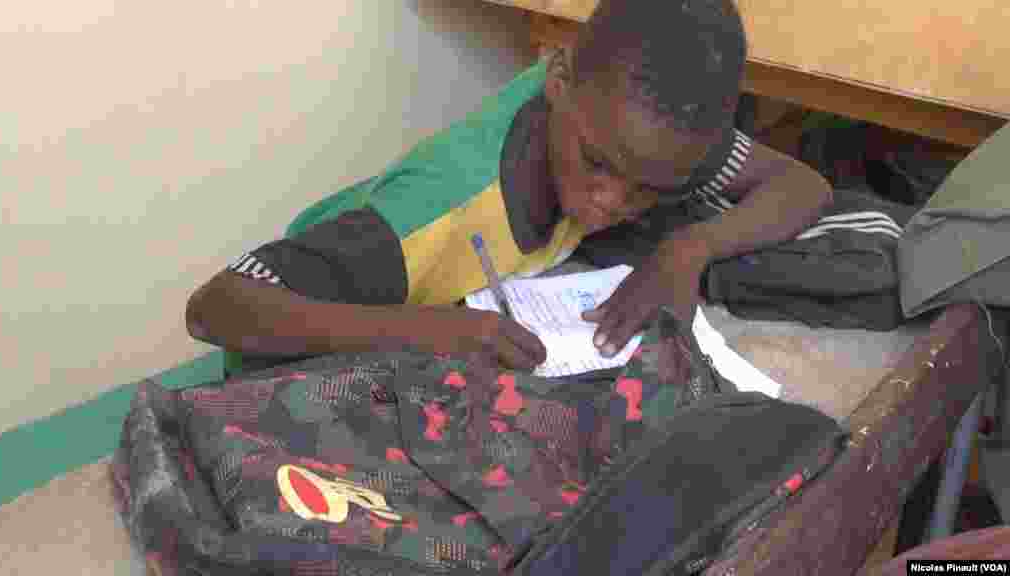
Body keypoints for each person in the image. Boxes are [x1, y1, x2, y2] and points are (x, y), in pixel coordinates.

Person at [186, 0, 832, 375]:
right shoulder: (431, 212)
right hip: (300, 365)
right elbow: (218, 306)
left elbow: (801, 185)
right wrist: (420, 330)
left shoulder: (640, 128)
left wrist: (687, 248)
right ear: (558, 79)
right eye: (597, 165)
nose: (612, 203)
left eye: (651, 191)